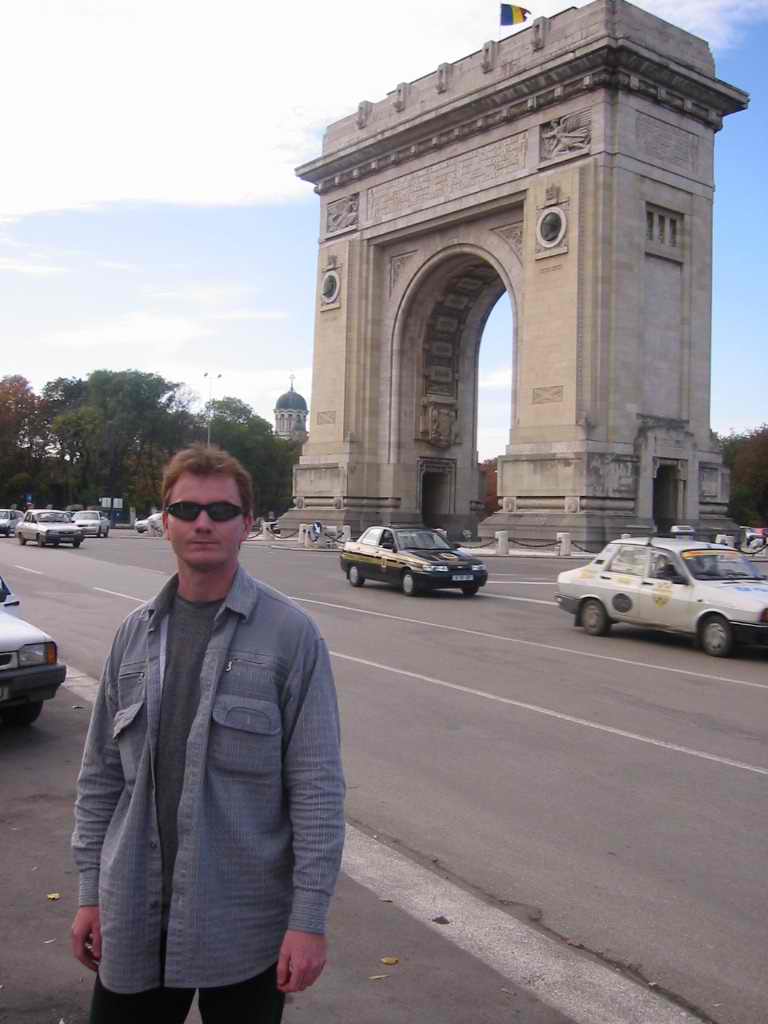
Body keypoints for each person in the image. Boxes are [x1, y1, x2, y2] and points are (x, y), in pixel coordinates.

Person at [71, 444, 345, 1023]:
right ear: (165, 521)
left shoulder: (291, 636)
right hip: (133, 911)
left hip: (244, 921)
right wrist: (89, 893)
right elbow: (100, 777)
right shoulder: (133, 635)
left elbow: (317, 788)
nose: (203, 523)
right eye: (186, 509)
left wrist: (309, 920)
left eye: (221, 511)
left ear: (247, 524)